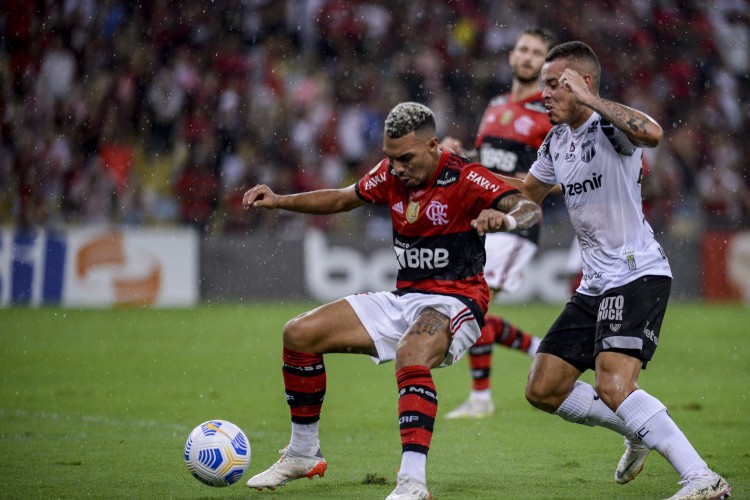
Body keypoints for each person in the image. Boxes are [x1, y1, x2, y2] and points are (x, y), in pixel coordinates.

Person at [242, 102, 542, 499]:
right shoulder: (391, 173)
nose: (397, 167)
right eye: (390, 158)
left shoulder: (466, 176)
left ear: (433, 145)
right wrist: (280, 201)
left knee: (412, 353)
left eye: (405, 158)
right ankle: (302, 452)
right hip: (406, 298)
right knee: (299, 334)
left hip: (457, 301)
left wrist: (502, 220)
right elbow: (341, 198)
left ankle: (412, 483)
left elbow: (528, 208)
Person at [506, 41, 731, 499]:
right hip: (596, 284)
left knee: (613, 383)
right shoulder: (556, 140)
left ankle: (702, 478)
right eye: (542, 85)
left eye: (554, 84)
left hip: (636, 272)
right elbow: (527, 194)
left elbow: (652, 133)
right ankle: (637, 426)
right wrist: (461, 180)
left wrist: (591, 102)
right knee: (544, 387)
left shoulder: (610, 128)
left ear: (582, 83)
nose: (543, 93)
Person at [441, 27, 556, 419]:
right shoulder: (494, 105)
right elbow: (485, 164)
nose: (527, 57)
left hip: (517, 224)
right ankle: (538, 347)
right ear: (511, 56)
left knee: (472, 303)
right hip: (482, 220)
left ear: (546, 64)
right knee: (473, 306)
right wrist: (462, 154)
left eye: (536, 52)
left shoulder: (550, 112)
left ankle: (481, 396)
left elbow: (556, 177)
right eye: (523, 49)